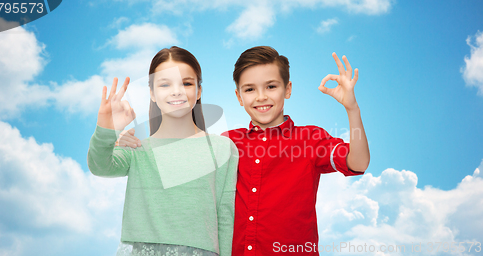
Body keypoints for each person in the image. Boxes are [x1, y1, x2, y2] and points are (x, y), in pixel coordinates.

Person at [116, 46, 370, 256]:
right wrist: (127, 140)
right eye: (250, 89)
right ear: (238, 96)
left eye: (271, 86)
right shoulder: (226, 143)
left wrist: (352, 108)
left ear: (288, 89)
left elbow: (357, 163)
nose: (261, 96)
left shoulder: (310, 138)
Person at [87, 46, 238, 256]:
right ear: (152, 93)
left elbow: (226, 216)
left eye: (186, 83)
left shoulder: (223, 148)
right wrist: (107, 129)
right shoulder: (136, 148)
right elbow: (99, 166)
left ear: (199, 90)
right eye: (165, 84)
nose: (176, 91)